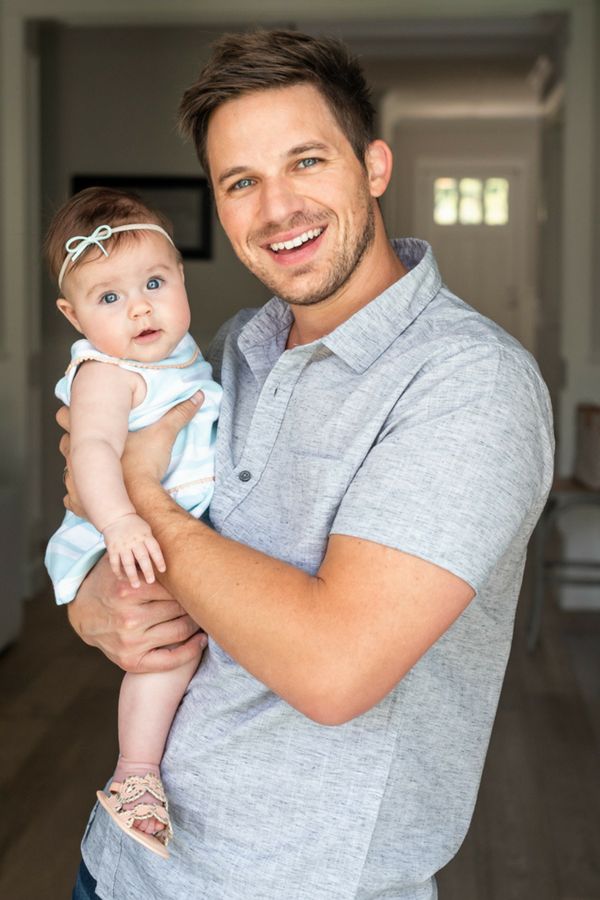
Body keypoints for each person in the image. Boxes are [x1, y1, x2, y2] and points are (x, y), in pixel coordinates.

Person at [62, 30, 554, 900]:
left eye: (306, 161)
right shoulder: (231, 350)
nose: (278, 207)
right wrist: (96, 608)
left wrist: (142, 496)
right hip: (126, 863)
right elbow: (127, 579)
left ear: (373, 166)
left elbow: (335, 671)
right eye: (241, 182)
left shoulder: (471, 385)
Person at [44, 187, 221, 859]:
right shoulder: (106, 373)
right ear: (74, 315)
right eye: (109, 298)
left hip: (162, 530)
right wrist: (120, 522)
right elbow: (89, 452)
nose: (140, 306)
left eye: (154, 281)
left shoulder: (179, 357)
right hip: (119, 540)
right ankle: (135, 776)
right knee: (164, 654)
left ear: (179, 275)